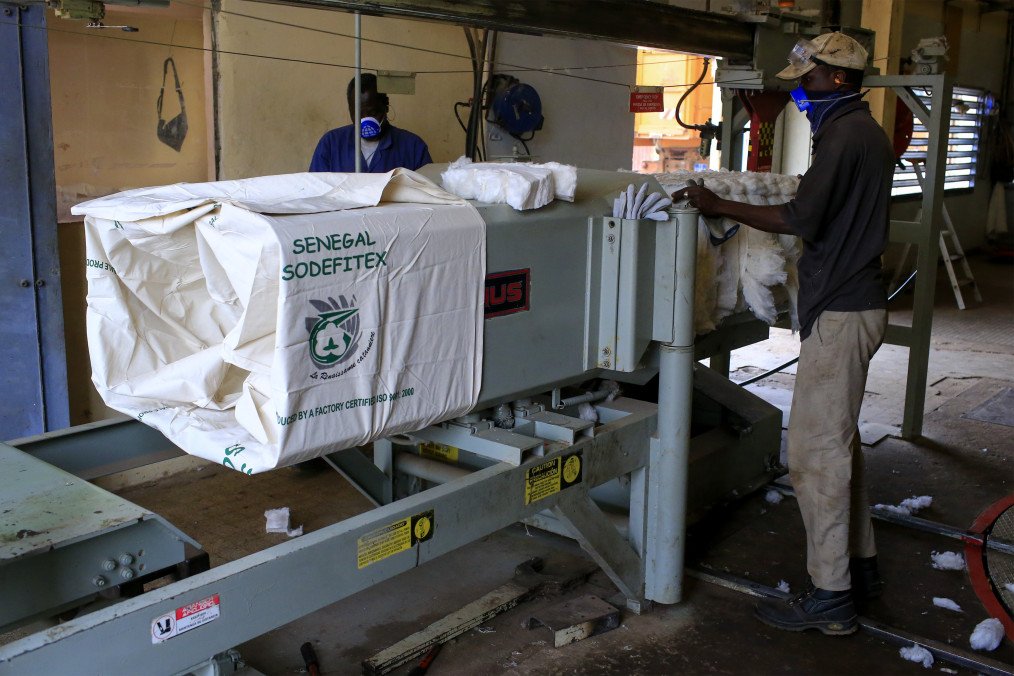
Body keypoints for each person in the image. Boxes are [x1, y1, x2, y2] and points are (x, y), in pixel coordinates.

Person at [675, 32, 893, 636]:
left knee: (813, 455)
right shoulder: (857, 133)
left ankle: (830, 598)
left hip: (844, 310)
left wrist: (719, 204)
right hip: (851, 303)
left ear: (841, 80)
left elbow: (802, 218)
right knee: (837, 449)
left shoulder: (846, 135)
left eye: (810, 78)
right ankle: (860, 569)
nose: (800, 88)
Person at [309, 73, 432, 173]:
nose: (365, 121)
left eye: (373, 113)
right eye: (358, 114)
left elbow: (431, 194)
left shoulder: (413, 147)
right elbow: (314, 191)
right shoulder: (331, 144)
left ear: (386, 106)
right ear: (350, 110)